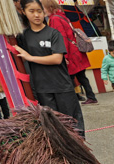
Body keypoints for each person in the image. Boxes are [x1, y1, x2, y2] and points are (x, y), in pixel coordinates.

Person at [14, 0, 85, 135]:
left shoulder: (53, 33)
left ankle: (78, 152)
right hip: (42, 89)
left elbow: (57, 59)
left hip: (62, 86)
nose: (36, 15)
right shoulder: (23, 36)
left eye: (39, 11)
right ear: (23, 12)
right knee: (53, 127)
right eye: (32, 11)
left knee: (72, 124)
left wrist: (31, 57)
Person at [43, 0, 97, 105]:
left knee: (68, 78)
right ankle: (91, 97)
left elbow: (61, 38)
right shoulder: (62, 16)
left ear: (49, 7)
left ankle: (72, 100)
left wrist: (64, 55)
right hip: (76, 51)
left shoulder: (54, 19)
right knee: (81, 77)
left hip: (70, 53)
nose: (42, 11)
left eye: (43, 8)